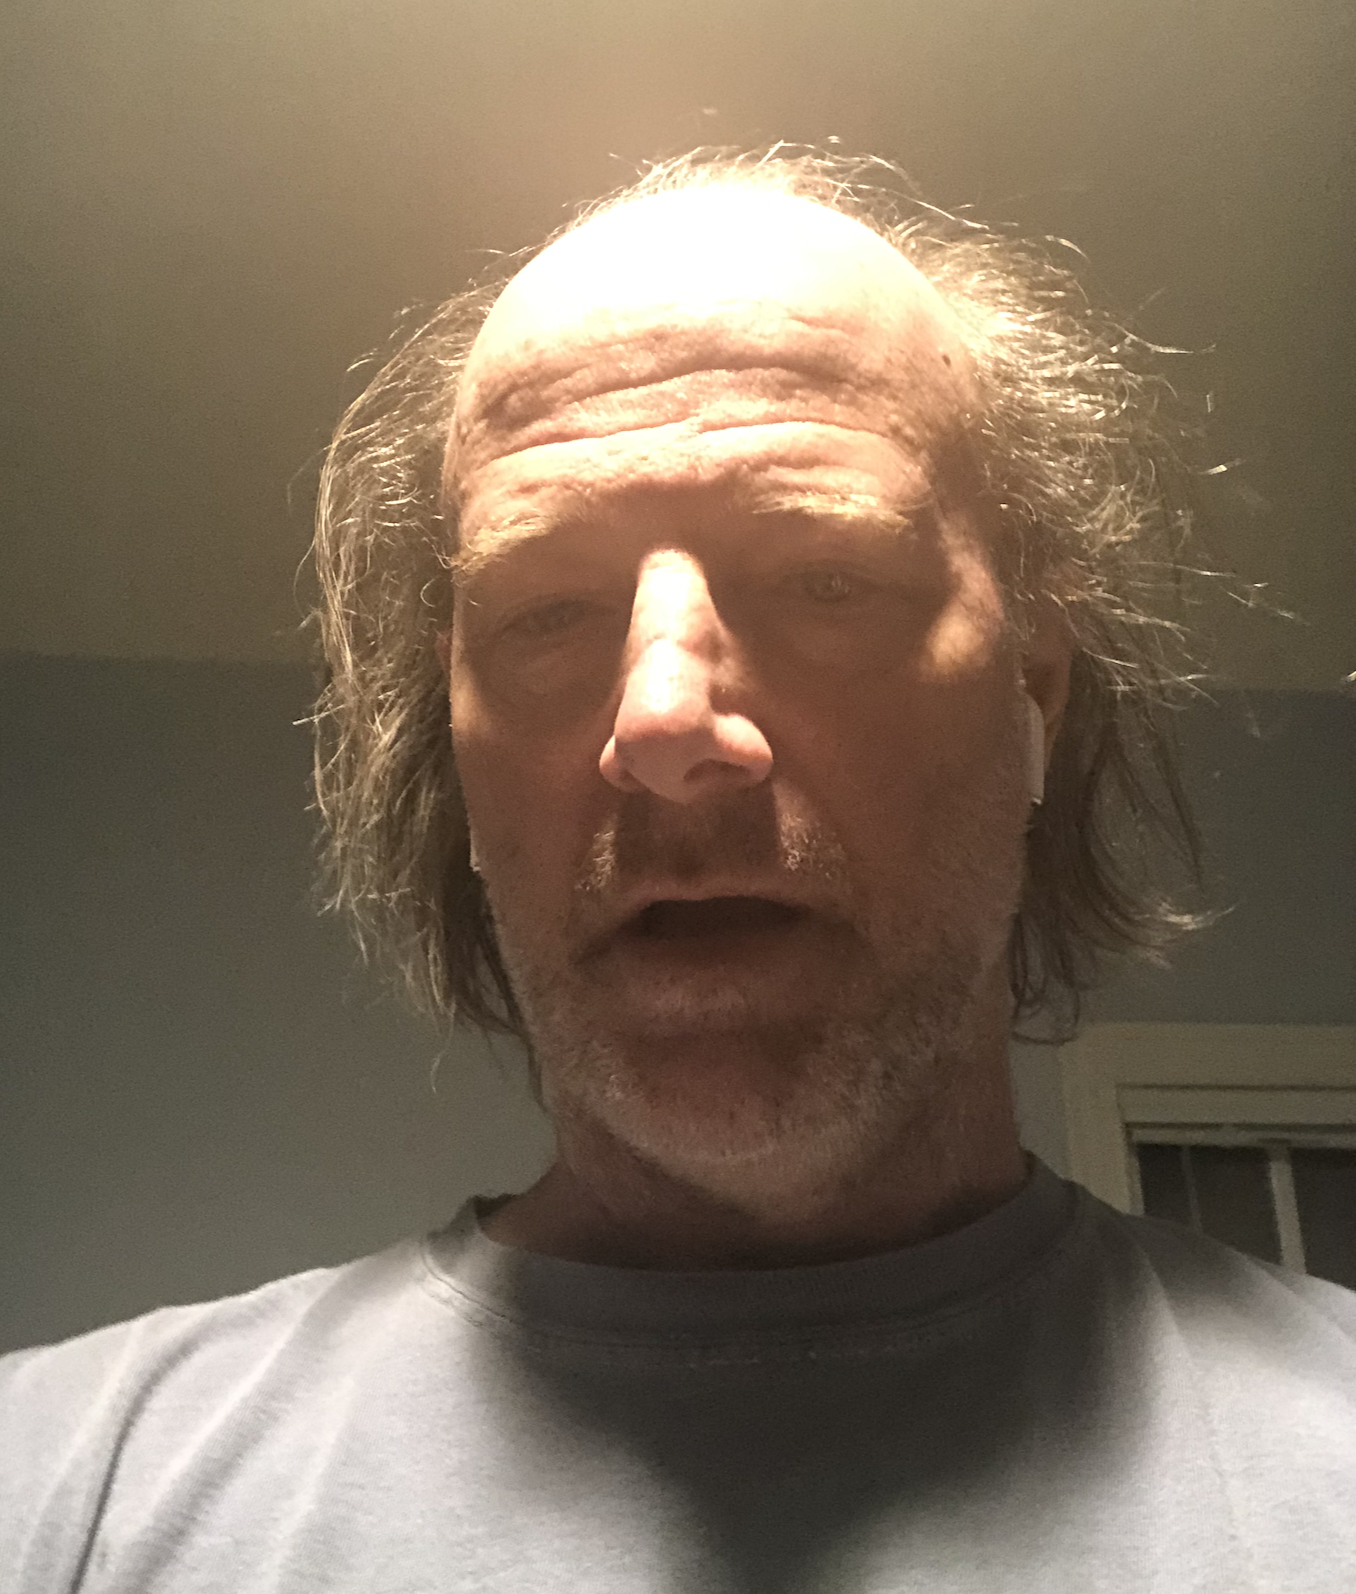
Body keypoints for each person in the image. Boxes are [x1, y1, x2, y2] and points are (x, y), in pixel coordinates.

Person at [3, 150, 1353, 1592]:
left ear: (1032, 688)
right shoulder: (60, 1493)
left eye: (826, 579)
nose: (661, 724)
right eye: (546, 611)